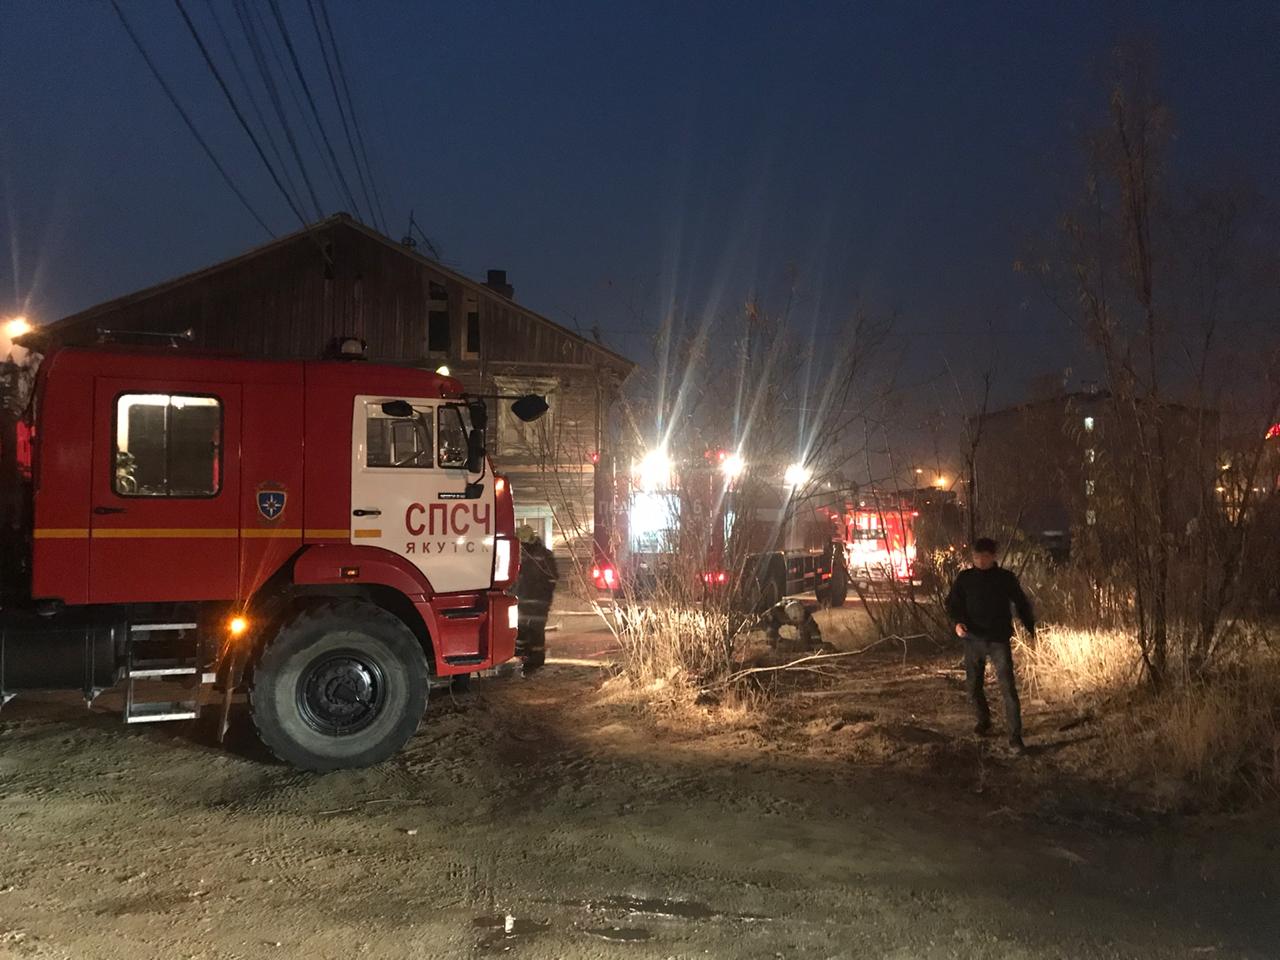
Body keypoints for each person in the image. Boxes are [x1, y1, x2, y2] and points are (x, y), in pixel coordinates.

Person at [945, 537, 1035, 754]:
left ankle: (1015, 738)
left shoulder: (1005, 578)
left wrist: (1030, 627)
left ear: (993, 556)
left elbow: (1021, 603)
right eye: (976, 557)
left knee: (1008, 689)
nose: (979, 561)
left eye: (983, 557)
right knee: (973, 686)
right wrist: (957, 623)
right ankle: (983, 720)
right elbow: (952, 603)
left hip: (998, 639)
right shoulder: (965, 579)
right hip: (973, 638)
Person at [514, 524, 558, 671]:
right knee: (522, 631)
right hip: (524, 601)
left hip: (537, 602)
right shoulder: (522, 555)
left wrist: (544, 597)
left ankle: (536, 663)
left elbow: (552, 578)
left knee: (536, 632)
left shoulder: (542, 555)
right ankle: (526, 661)